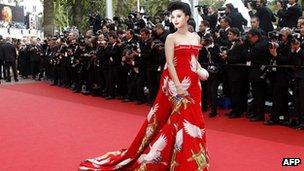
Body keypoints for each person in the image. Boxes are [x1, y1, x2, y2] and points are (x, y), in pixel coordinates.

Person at [79, 2, 210, 170]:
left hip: (193, 83)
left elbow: (195, 60)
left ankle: (188, 159)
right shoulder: (171, 38)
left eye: (178, 16)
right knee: (180, 119)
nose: (175, 19)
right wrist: (177, 86)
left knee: (193, 119)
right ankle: (179, 161)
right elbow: (170, 64)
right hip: (174, 83)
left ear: (187, 17)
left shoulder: (196, 37)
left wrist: (201, 70)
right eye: (172, 17)